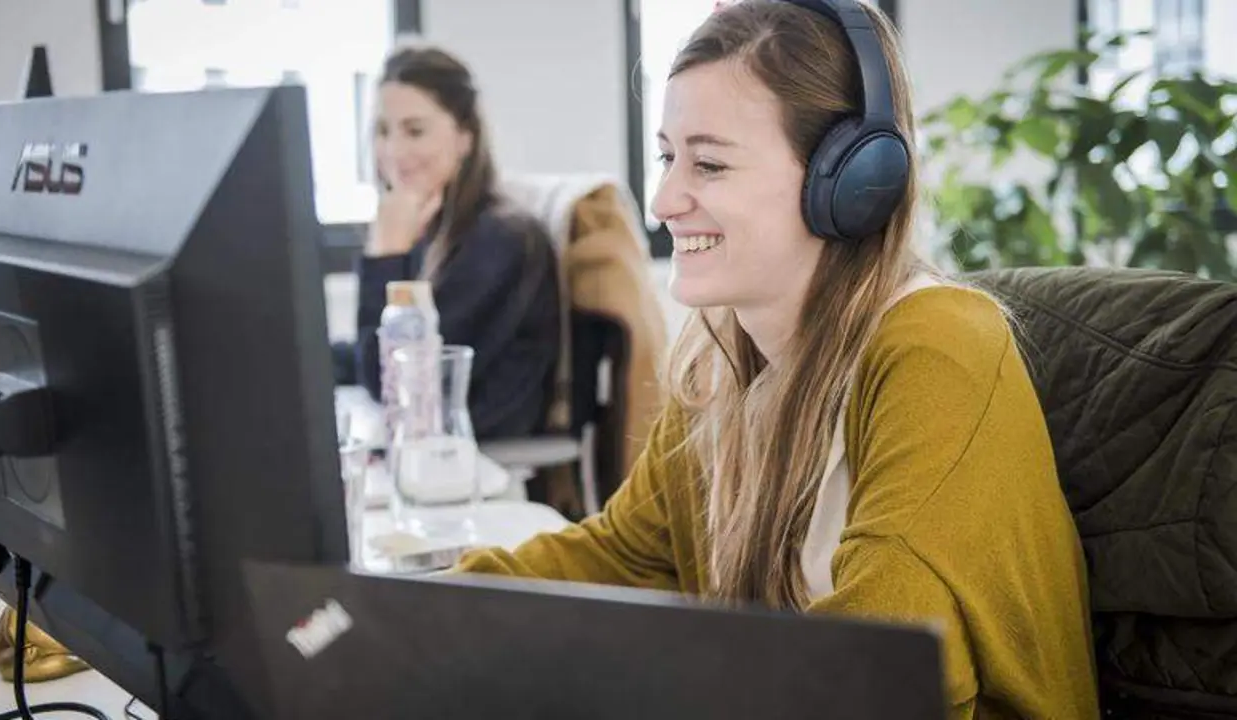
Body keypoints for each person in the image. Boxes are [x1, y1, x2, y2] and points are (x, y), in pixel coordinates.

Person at [456, 1, 1101, 716]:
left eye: (709, 164)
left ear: (851, 182)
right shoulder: (717, 369)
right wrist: (417, 609)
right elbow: (619, 558)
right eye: (668, 157)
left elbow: (874, 668)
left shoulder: (939, 347)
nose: (664, 200)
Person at [356, 45, 560, 440]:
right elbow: (373, 357)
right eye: (383, 131)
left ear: (465, 137)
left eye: (415, 131)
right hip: (438, 440)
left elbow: (393, 382)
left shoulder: (500, 239)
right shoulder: (434, 228)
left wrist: (385, 256)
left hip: (475, 452)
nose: (393, 151)